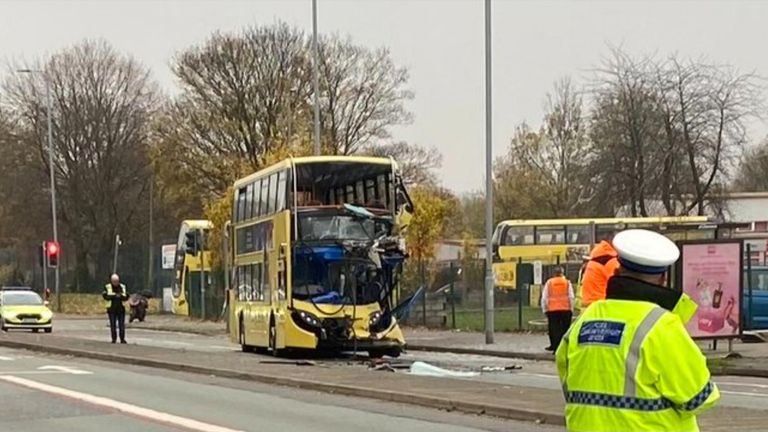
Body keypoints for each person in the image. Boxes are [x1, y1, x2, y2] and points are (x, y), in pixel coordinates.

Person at [556, 229, 719, 432]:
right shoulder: (661, 325)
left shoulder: (585, 320)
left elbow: (566, 374)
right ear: (662, 279)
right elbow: (699, 397)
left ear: (616, 271)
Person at [580, 233, 619, 308]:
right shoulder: (609, 260)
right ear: (612, 242)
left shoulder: (597, 256)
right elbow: (619, 284)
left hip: (589, 304)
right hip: (601, 305)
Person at [541, 267, 574, 352]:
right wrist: (571, 308)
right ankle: (564, 348)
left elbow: (544, 298)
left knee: (554, 329)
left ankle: (554, 346)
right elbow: (571, 297)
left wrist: (545, 309)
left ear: (554, 273)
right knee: (565, 329)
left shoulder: (549, 283)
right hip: (565, 309)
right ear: (562, 273)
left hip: (552, 310)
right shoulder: (567, 283)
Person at [103, 273, 129, 344]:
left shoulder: (122, 286)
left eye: (117, 281)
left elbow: (126, 296)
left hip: (121, 309)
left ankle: (122, 339)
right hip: (112, 309)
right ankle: (114, 339)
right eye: (114, 281)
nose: (116, 283)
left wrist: (121, 296)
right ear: (111, 281)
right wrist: (114, 296)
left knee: (121, 325)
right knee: (113, 325)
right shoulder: (107, 287)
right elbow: (105, 296)